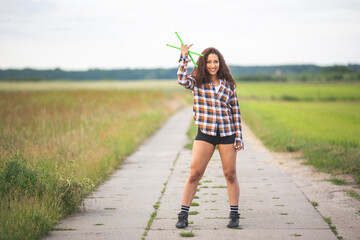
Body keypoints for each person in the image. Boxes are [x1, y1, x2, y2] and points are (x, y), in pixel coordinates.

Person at [175, 44, 244, 229]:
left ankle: (234, 214)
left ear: (220, 64)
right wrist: (184, 57)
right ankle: (183, 214)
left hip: (227, 134)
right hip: (205, 133)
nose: (212, 65)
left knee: (230, 174)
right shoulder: (197, 81)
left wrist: (239, 136)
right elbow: (182, 79)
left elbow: (235, 111)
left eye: (215, 62)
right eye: (209, 62)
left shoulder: (228, 85)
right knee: (194, 174)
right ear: (203, 64)